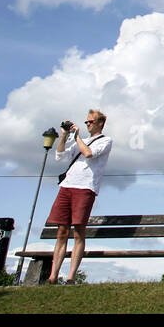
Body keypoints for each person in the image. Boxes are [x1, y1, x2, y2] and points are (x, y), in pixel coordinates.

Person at [46, 109, 113, 284]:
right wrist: (63, 136)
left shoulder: (105, 141)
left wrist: (77, 137)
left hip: (85, 188)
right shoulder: (80, 141)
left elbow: (89, 153)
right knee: (61, 231)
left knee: (78, 232)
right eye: (86, 122)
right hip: (67, 186)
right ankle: (53, 275)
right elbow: (61, 156)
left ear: (100, 123)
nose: (87, 124)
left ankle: (71, 276)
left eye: (90, 122)